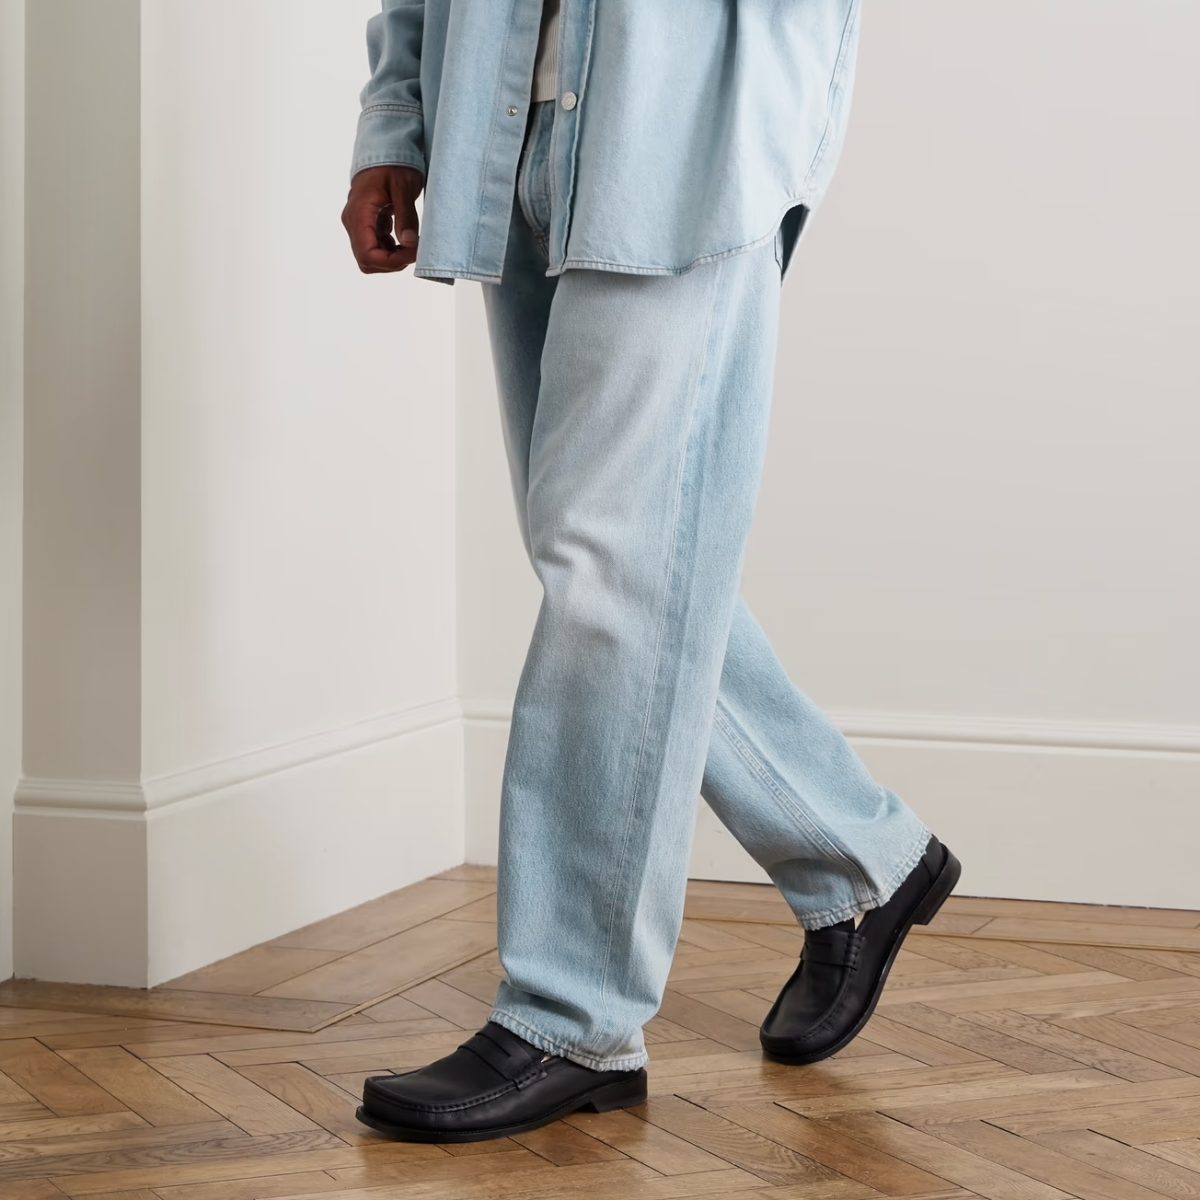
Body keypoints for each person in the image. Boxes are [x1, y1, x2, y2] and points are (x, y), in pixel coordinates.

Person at [342, 0, 961, 1145]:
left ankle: (570, 1017)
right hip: (505, 123)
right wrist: (397, 117)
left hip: (683, 138)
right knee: (621, 568)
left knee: (611, 569)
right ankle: (862, 859)